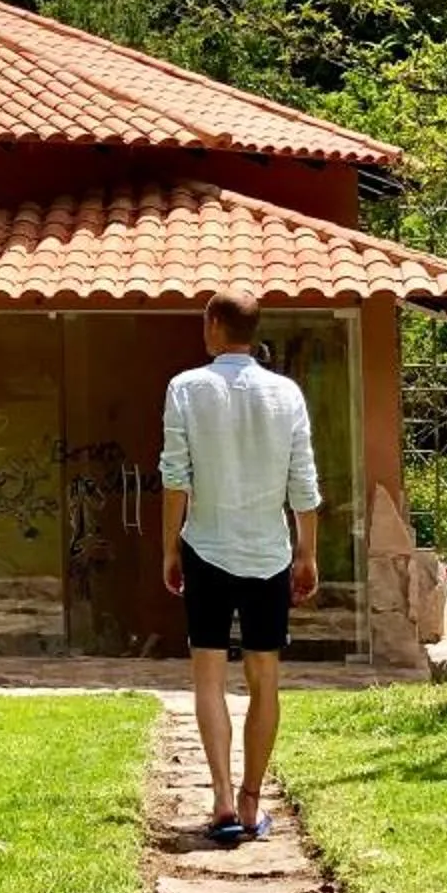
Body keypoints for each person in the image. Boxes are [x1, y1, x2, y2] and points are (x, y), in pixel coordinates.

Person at [158, 286, 319, 842]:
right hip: (270, 552)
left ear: (213, 327)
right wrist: (307, 552)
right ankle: (252, 802)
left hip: (206, 545)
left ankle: (222, 799)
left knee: (208, 673)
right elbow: (304, 484)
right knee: (264, 678)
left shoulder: (186, 389)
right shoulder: (287, 395)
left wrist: (170, 547)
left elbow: (175, 477)